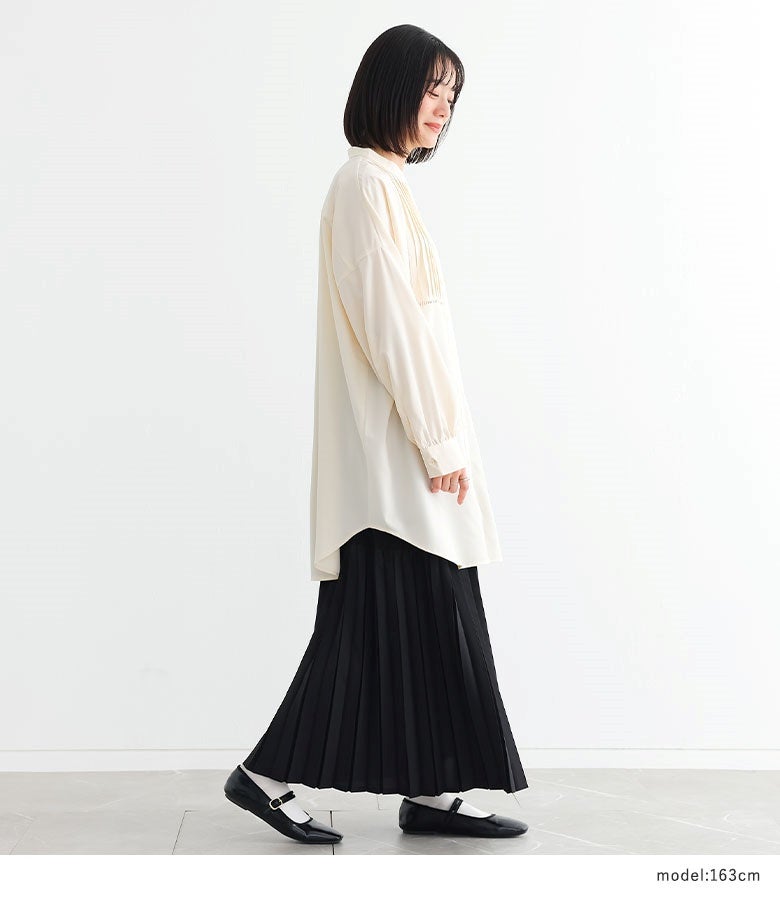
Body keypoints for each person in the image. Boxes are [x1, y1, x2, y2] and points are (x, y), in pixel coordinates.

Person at [224, 23, 529, 845]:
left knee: (425, 616)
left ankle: (430, 790)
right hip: (395, 460)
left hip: (404, 453)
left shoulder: (383, 185)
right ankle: (266, 775)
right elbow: (394, 329)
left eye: (452, 95)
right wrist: (440, 442)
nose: (443, 108)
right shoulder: (364, 185)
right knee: (379, 625)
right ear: (389, 87)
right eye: (431, 88)